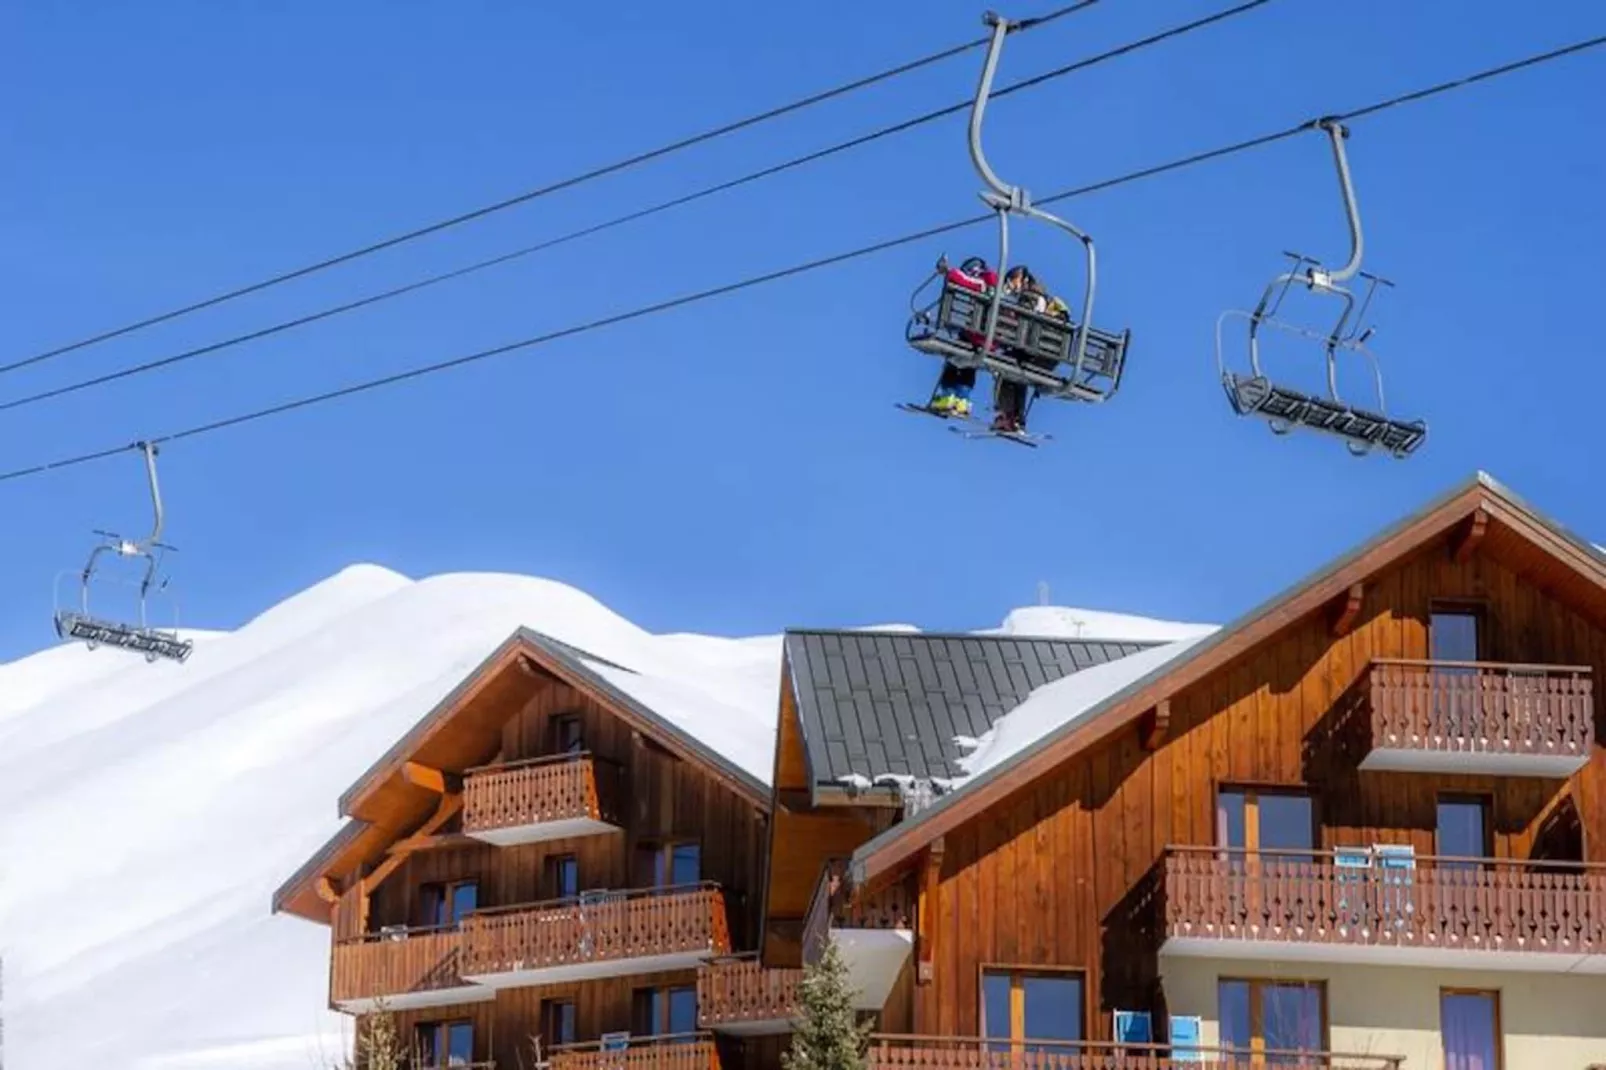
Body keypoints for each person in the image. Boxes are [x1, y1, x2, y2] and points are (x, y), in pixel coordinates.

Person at [925, 257, 995, 418]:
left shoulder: (984, 282)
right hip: (989, 340)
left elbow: (961, 279)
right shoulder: (998, 288)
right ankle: (962, 400)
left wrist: (948, 271)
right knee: (969, 365)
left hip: (977, 336)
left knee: (952, 360)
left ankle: (948, 395)